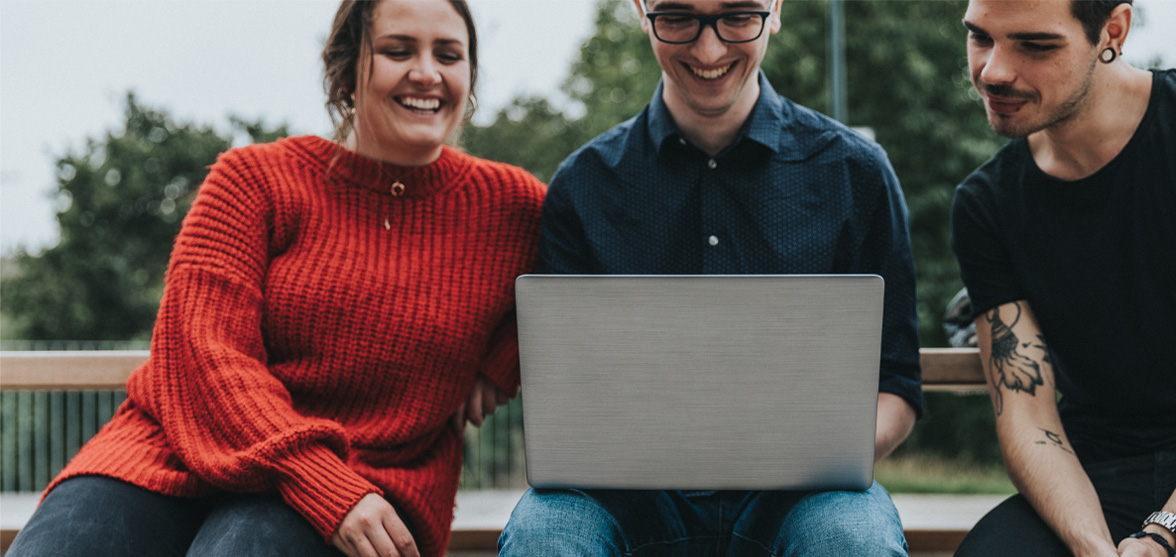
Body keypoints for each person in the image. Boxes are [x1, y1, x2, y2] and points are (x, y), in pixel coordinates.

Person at [7, 1, 545, 556]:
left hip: (368, 482)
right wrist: (314, 477)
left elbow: (584, 278)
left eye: (449, 55)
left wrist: (503, 360)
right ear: (344, 67)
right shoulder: (251, 180)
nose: (427, 72)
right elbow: (203, 348)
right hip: (173, 453)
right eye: (397, 50)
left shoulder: (512, 207)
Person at [497, 0, 923, 555]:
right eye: (676, 18)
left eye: (739, 16)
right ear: (640, 9)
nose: (709, 49)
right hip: (626, 499)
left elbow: (897, 385)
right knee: (544, 537)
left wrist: (817, 455)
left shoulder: (855, 172)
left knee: (853, 535)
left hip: (799, 495)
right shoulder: (584, 184)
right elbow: (560, 391)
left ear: (775, 9)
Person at [950, 1, 1176, 556]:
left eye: (1034, 45)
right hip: (1102, 478)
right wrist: (1094, 547)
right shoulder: (986, 204)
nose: (993, 71)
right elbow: (1028, 417)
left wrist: (1163, 535)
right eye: (980, 37)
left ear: (1113, 30)